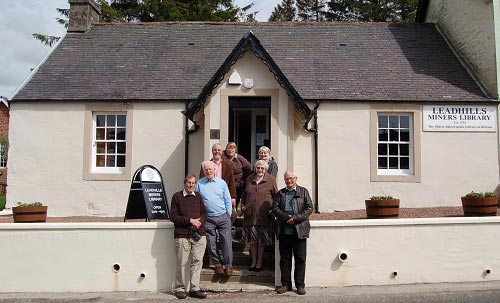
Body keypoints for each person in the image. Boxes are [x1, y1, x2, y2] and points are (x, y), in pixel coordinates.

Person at [272, 170, 313, 295]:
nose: (289, 181)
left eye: (291, 178)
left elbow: (309, 208)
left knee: (300, 259)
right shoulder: (280, 193)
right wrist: (286, 218)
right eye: (286, 179)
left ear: (296, 178)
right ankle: (286, 284)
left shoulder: (303, 191)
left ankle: (300, 285)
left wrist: (295, 218)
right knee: (285, 259)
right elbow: (275, 208)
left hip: (299, 230)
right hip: (284, 231)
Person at [170, 174, 208, 299]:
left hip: (199, 234)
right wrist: (190, 220)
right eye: (189, 183)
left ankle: (194, 288)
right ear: (184, 183)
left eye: (193, 183)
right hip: (182, 235)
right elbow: (174, 217)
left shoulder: (198, 197)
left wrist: (199, 222)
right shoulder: (177, 197)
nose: (191, 185)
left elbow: (204, 213)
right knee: (182, 262)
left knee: (197, 262)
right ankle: (179, 288)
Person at [195, 161, 234, 276]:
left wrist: (228, 214)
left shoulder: (221, 183)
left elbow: (227, 199)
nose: (208, 171)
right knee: (211, 243)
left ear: (214, 170)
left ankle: (228, 266)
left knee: (226, 242)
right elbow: (197, 201)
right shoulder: (199, 184)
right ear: (203, 171)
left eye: (210, 169)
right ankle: (217, 264)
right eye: (206, 170)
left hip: (223, 216)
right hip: (208, 218)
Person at [241, 160, 278, 272]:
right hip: (250, 215)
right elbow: (244, 194)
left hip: (264, 215)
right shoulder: (249, 179)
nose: (260, 170)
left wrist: (273, 210)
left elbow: (276, 196)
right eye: (258, 168)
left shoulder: (271, 180)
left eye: (262, 168)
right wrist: (243, 206)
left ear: (265, 169)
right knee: (252, 241)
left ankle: (259, 262)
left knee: (261, 242)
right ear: (255, 168)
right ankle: (253, 261)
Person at [223, 142, 253, 209]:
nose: (230, 150)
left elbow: (250, 168)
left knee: (234, 203)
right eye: (229, 148)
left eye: (232, 148)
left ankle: (233, 217)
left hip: (237, 185)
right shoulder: (222, 156)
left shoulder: (239, 158)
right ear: (226, 149)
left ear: (235, 150)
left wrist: (244, 179)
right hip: (225, 184)